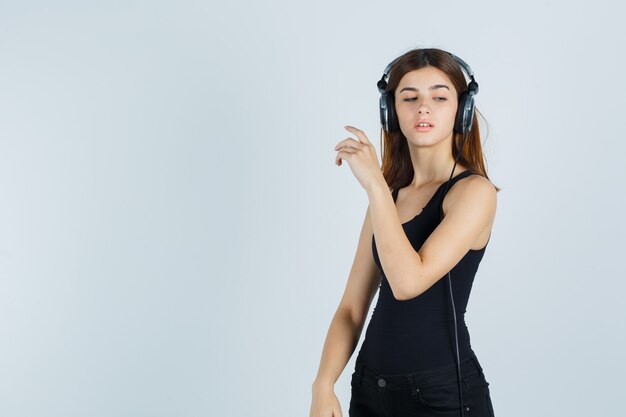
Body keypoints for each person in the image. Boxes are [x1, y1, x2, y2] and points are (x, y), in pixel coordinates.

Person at [309, 47, 500, 417]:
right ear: (391, 111)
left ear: (461, 111)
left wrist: (375, 186)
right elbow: (351, 308)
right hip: (369, 389)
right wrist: (323, 383)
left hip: (441, 395)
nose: (423, 107)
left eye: (439, 97)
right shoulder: (389, 198)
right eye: (409, 97)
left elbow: (408, 282)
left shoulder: (474, 193)